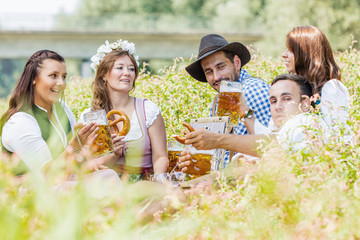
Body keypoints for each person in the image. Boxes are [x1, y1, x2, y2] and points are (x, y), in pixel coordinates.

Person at [179, 73, 318, 172]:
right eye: (273, 101)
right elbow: (264, 136)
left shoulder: (304, 122)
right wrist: (245, 112)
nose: (278, 106)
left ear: (305, 103)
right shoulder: (278, 127)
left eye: (286, 99)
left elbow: (272, 144)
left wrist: (217, 139)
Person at [79, 39, 168, 181]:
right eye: (120, 68)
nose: (127, 73)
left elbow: (160, 156)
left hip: (144, 184)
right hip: (105, 184)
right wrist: (112, 156)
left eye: (131, 69)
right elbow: (86, 165)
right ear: (104, 75)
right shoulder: (89, 116)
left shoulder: (148, 110)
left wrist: (159, 180)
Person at [185, 34, 271, 167]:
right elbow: (221, 155)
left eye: (221, 67)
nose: (216, 77)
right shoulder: (218, 101)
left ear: (236, 63)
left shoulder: (252, 89)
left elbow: (270, 147)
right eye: (209, 72)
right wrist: (194, 160)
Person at [282, 25, 351, 136]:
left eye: (291, 50)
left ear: (306, 54)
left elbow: (340, 135)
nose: (283, 54)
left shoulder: (332, 88)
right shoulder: (299, 87)